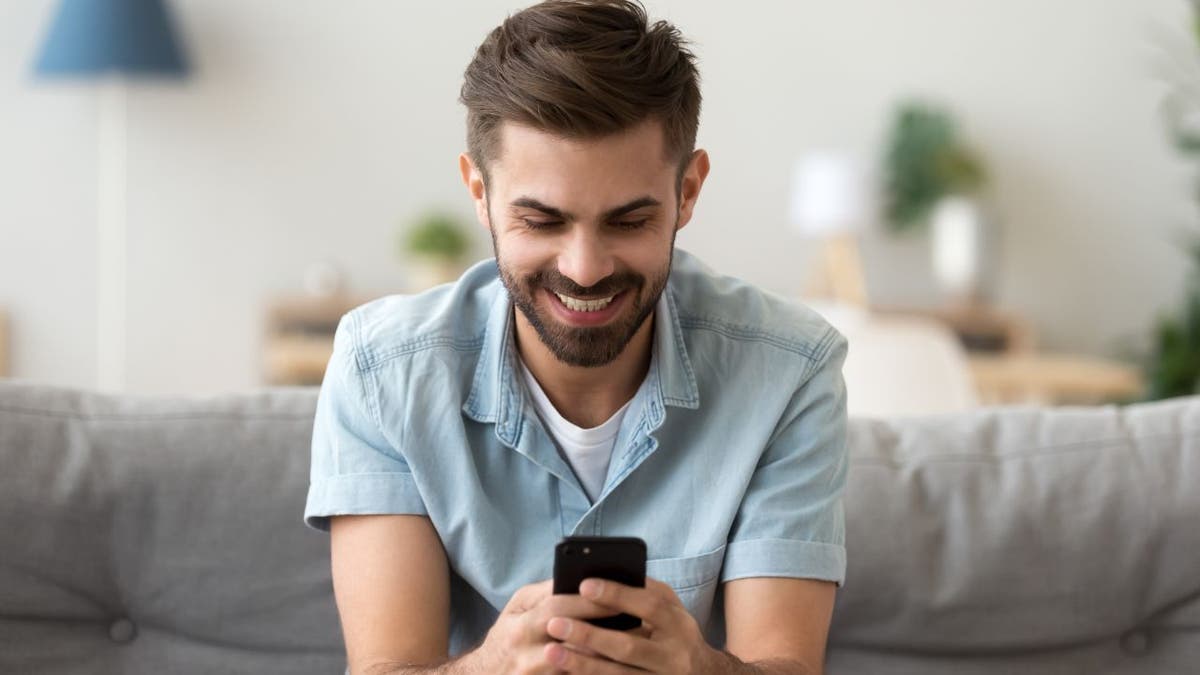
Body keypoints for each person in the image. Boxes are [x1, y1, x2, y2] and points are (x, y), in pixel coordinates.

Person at [304, 1, 850, 673]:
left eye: (627, 222)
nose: (584, 267)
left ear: (688, 191)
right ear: (479, 191)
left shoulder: (788, 369)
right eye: (542, 221)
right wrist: (490, 666)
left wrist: (702, 668)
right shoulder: (382, 373)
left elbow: (786, 663)